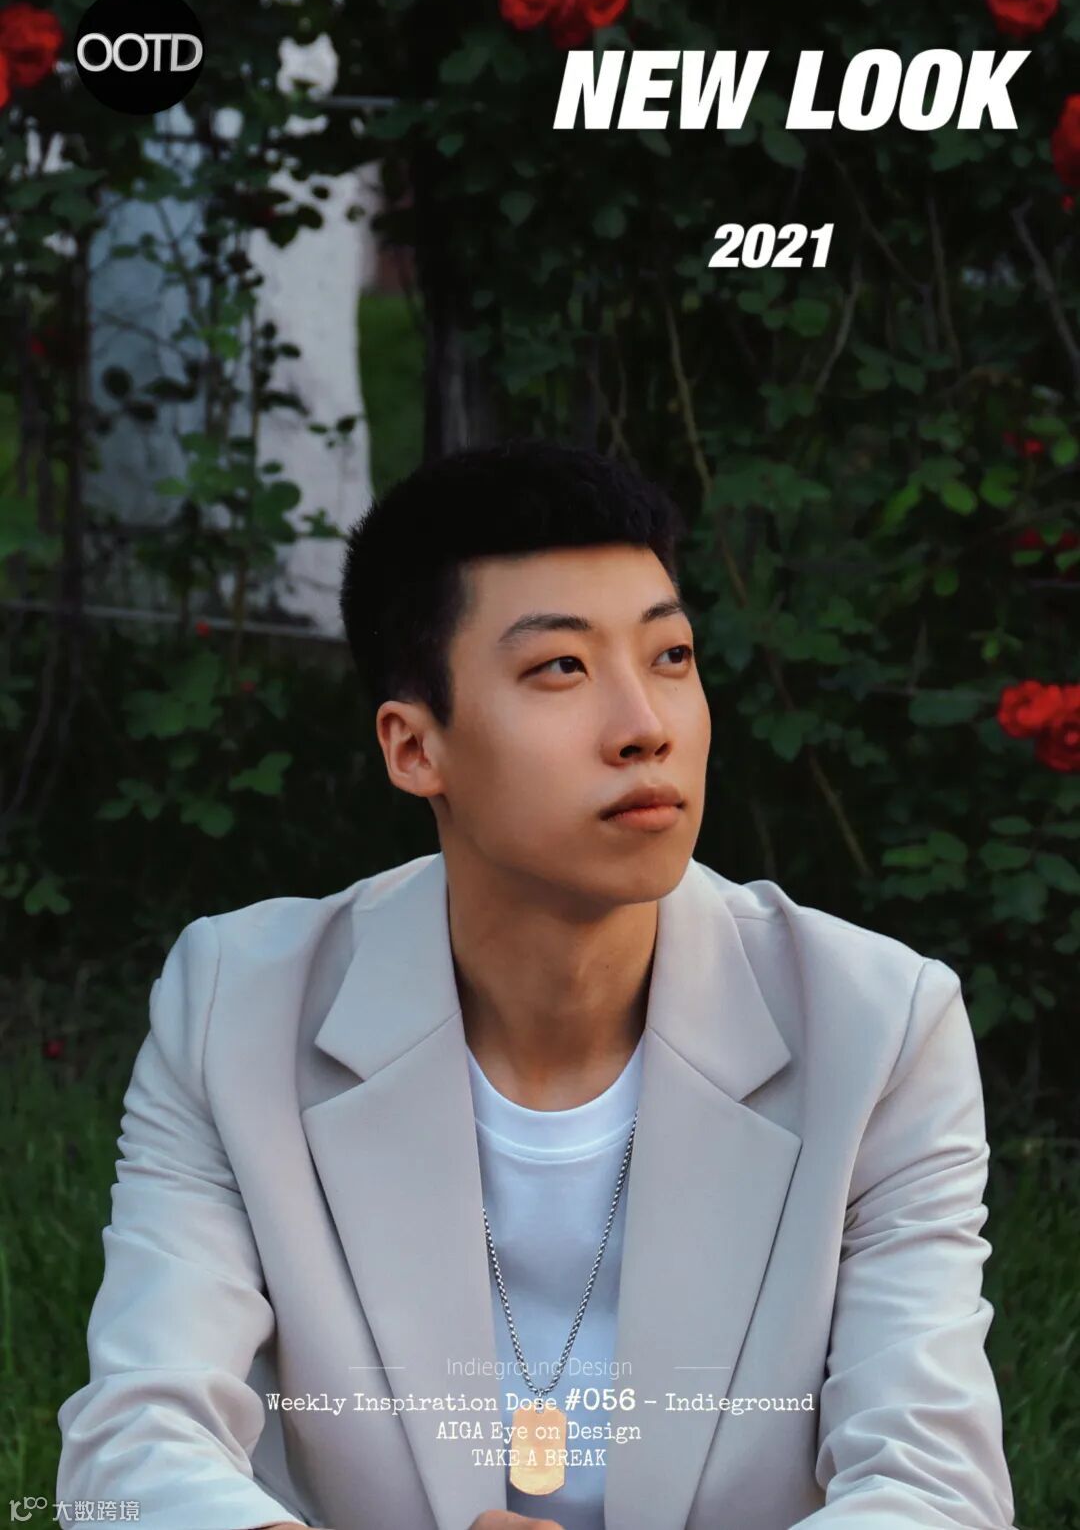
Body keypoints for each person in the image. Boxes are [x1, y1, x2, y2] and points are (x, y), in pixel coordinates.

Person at [57, 438, 1016, 1530]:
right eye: (561, 667)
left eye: (670, 656)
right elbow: (133, 1452)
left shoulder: (877, 1027)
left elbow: (932, 1487)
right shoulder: (239, 1010)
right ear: (415, 748)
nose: (645, 725)